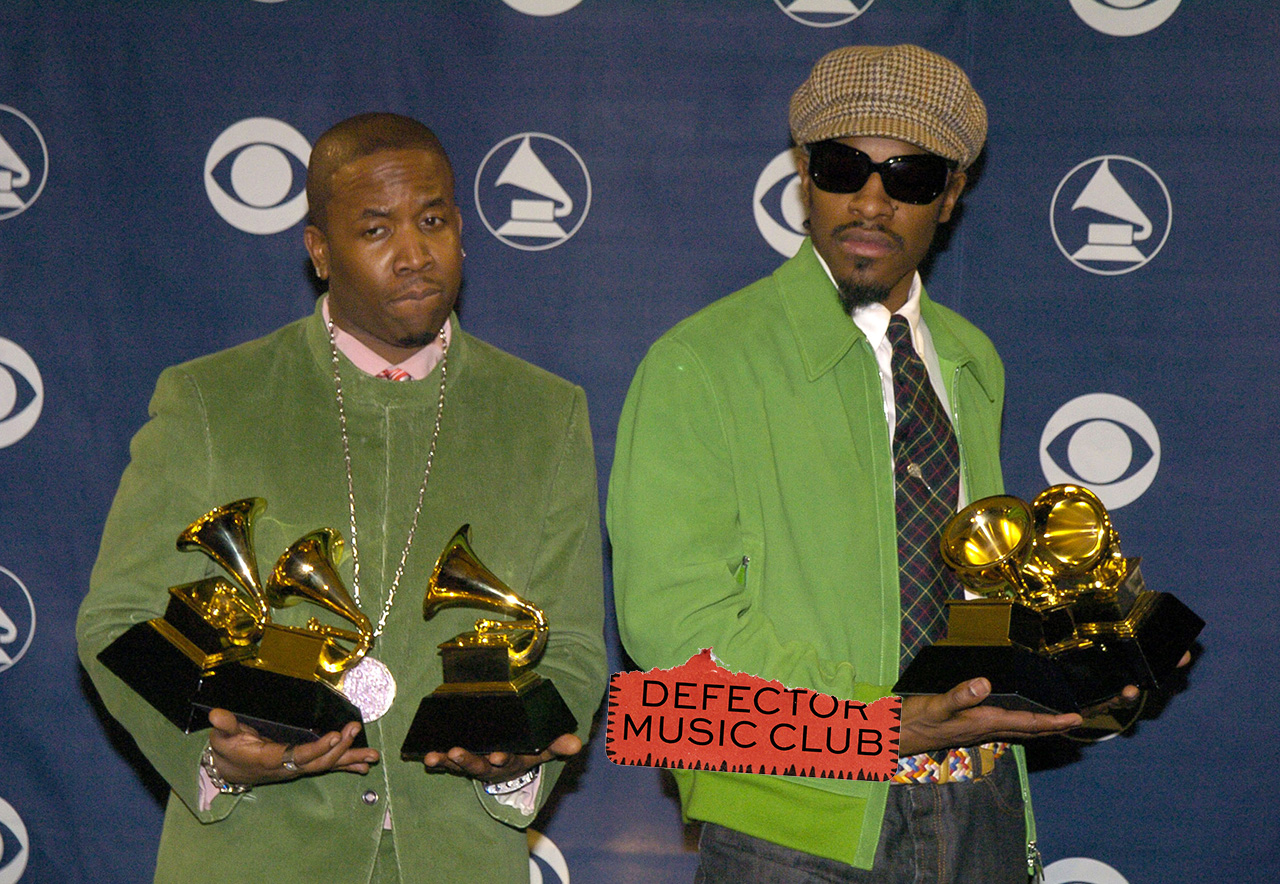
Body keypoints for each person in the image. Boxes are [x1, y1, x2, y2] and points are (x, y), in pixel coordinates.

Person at [608, 45, 1102, 882]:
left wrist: (1082, 658)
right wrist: (871, 724)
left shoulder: (972, 361)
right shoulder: (701, 361)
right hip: (792, 819)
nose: (870, 201)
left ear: (951, 197)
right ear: (804, 175)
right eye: (844, 167)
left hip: (978, 799)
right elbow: (671, 629)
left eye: (908, 177)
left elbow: (975, 594)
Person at [77, 112, 607, 884]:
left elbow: (574, 647)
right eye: (376, 228)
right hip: (254, 857)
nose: (415, 254)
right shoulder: (210, 399)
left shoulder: (544, 412)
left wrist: (511, 762)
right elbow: (119, 621)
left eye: (433, 220)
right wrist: (216, 753)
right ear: (320, 251)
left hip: (457, 859)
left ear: (462, 229)